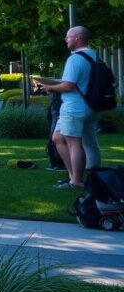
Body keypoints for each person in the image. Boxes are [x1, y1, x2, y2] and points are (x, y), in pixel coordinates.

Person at [45, 26, 102, 190]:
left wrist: (50, 87)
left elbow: (69, 86)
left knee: (73, 143)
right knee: (59, 138)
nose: (65, 40)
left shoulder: (74, 59)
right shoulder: (94, 55)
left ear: (78, 38)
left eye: (68, 37)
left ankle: (76, 180)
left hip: (74, 106)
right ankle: (82, 176)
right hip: (90, 105)